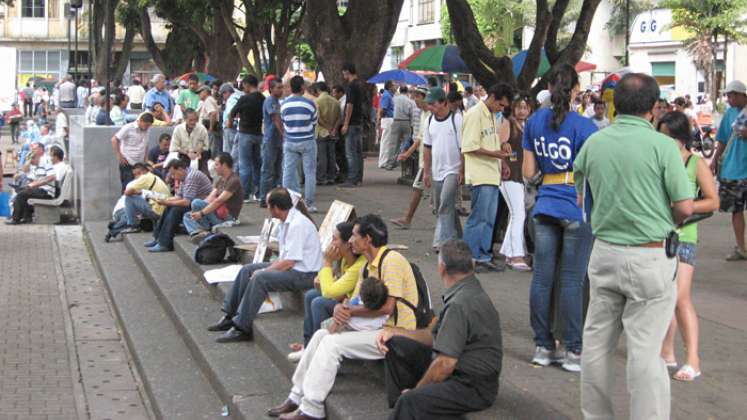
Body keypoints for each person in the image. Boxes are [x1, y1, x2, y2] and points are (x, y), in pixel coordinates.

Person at [574, 73, 694, 420]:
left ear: (615, 103)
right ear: (654, 108)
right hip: (651, 256)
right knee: (644, 351)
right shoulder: (663, 147)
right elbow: (685, 207)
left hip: (605, 251)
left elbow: (583, 195)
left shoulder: (595, 143)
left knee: (596, 344)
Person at [266, 214, 419, 420]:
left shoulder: (391, 260)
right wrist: (341, 310)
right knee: (321, 335)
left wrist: (349, 311)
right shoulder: (366, 266)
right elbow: (352, 302)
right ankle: (296, 396)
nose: (351, 241)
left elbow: (387, 307)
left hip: (396, 333)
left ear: (368, 239)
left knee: (332, 344)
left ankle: (311, 409)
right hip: (375, 328)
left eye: (355, 236)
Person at [522, 64, 596, 372]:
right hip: (576, 208)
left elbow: (528, 173)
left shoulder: (533, 122)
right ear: (576, 90)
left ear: (550, 88)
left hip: (544, 206)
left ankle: (542, 345)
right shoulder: (586, 127)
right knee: (571, 280)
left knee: (542, 278)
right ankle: (573, 350)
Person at [379, 239, 501, 419]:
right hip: (462, 372)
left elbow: (445, 364)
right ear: (472, 265)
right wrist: (395, 332)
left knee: (410, 400)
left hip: (472, 385)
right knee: (395, 344)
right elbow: (433, 335)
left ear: (441, 268)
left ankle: (407, 405)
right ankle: (402, 409)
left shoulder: (459, 304)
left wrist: (416, 391)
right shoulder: (466, 290)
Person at [208, 187, 322, 343]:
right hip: (293, 267)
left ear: (275, 207)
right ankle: (230, 315)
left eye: (268, 205)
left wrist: (266, 270)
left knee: (260, 278)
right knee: (247, 270)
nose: (266, 208)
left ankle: (242, 327)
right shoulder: (285, 222)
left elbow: (290, 261)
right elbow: (284, 257)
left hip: (305, 274)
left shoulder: (298, 225)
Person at [657, 111, 719, 382]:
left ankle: (693, 358)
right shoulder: (658, 162)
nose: (660, 141)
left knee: (681, 298)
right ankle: (666, 352)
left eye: (665, 136)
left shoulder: (695, 164)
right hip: (658, 236)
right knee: (663, 297)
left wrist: (685, 207)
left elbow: (713, 201)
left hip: (684, 237)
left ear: (680, 139)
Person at [287, 221, 366, 361]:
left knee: (319, 303)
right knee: (311, 295)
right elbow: (330, 286)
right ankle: (309, 345)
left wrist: (327, 262)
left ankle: (321, 353)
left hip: (355, 307)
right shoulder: (344, 260)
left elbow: (329, 292)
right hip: (345, 299)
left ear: (348, 244)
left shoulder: (358, 265)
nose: (331, 243)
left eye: (335, 239)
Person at [461, 83, 513, 271]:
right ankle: (470, 258)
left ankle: (483, 256)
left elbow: (492, 143)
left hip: (492, 174)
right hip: (480, 175)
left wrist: (503, 160)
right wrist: (496, 155)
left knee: (489, 219)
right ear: (492, 98)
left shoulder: (492, 115)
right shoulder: (475, 114)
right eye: (501, 105)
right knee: (478, 219)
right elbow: (469, 146)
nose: (502, 109)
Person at [710, 80, 747, 261]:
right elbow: (722, 140)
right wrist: (715, 160)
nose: (729, 99)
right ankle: (741, 247)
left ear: (742, 95)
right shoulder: (729, 114)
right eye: (727, 95)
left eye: (732, 95)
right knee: (735, 210)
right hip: (732, 169)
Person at [423, 87, 463, 252]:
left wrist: (462, 170)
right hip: (437, 170)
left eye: (432, 104)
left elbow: (463, 148)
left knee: (445, 205)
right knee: (443, 206)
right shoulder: (429, 121)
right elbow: (427, 148)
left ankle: (442, 241)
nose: (430, 107)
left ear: (444, 103)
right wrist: (426, 172)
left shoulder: (457, 119)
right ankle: (459, 237)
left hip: (453, 169)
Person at [144, 158, 213, 252]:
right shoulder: (184, 177)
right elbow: (178, 196)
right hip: (193, 203)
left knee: (175, 210)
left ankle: (165, 243)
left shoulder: (192, 176)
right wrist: (164, 200)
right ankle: (157, 238)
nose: (173, 177)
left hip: (202, 206)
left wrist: (166, 202)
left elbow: (186, 202)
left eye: (174, 173)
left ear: (180, 169)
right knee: (169, 206)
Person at [499, 94, 532, 271]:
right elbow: (500, 146)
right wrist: (504, 163)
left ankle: (508, 250)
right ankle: (515, 255)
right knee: (519, 214)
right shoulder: (508, 124)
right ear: (513, 109)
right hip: (509, 175)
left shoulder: (526, 126)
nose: (522, 110)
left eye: (525, 107)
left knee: (516, 214)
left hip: (521, 176)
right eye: (519, 107)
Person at [391, 87, 430, 230]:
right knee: (421, 190)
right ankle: (407, 218)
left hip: (430, 160)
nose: (415, 102)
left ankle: (407, 218)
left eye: (416, 98)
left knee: (418, 189)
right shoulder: (424, 114)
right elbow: (420, 137)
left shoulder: (432, 114)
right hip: (424, 158)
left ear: (423, 96)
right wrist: (408, 153)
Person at [183, 152, 244, 243]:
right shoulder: (220, 180)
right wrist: (196, 211)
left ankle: (201, 231)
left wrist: (201, 213)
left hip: (226, 217)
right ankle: (200, 232)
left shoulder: (233, 181)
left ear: (224, 165)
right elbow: (210, 198)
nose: (214, 167)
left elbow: (219, 201)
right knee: (187, 215)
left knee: (196, 203)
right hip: (215, 213)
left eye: (216, 164)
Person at [280, 76, 319, 212]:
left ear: (290, 87)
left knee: (288, 172)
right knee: (309, 173)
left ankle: (286, 202)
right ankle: (308, 204)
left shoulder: (284, 104)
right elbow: (314, 123)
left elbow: (283, 122)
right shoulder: (310, 104)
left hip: (290, 141)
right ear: (302, 87)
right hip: (307, 141)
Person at [5, 146, 67, 225]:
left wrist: (33, 185)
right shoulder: (37, 166)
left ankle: (15, 219)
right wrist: (29, 183)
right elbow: (27, 172)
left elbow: (52, 177)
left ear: (36, 157)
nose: (32, 164)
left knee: (21, 195)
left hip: (47, 192)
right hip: (41, 190)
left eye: (32, 161)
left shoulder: (45, 161)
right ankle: (26, 217)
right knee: (21, 191)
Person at [229, 75, 265, 202]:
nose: (243, 87)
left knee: (244, 165)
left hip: (245, 134)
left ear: (248, 84)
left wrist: (229, 122)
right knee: (257, 163)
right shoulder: (262, 98)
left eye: (243, 84)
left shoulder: (244, 99)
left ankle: (245, 194)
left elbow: (232, 113)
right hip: (258, 134)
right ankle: (259, 192)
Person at [119, 162, 172, 234]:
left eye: (138, 173)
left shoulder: (145, 177)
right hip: (164, 209)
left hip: (158, 211)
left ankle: (133, 225)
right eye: (134, 175)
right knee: (138, 196)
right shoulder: (154, 176)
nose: (136, 177)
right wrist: (139, 192)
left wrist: (137, 192)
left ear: (144, 171)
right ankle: (137, 219)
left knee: (129, 198)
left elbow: (126, 192)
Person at [111, 113, 154, 191]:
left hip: (140, 164)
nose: (147, 128)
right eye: (146, 125)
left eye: (149, 126)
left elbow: (146, 144)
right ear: (140, 121)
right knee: (127, 187)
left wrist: (146, 159)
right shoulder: (128, 128)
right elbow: (114, 140)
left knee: (139, 187)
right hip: (128, 162)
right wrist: (119, 156)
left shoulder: (147, 130)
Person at [259, 78, 285, 207]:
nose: (281, 90)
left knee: (276, 170)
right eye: (278, 87)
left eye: (282, 87)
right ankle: (264, 198)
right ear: (271, 89)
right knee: (268, 170)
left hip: (277, 140)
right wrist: (284, 135)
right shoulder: (270, 101)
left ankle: (273, 198)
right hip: (271, 140)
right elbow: (276, 119)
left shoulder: (277, 101)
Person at [310, 82, 341, 186]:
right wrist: (333, 129)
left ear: (318, 90)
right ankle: (331, 176)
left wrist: (328, 128)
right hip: (333, 132)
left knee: (322, 156)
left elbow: (318, 119)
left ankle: (321, 177)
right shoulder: (336, 102)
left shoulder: (316, 101)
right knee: (332, 155)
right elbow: (339, 118)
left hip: (321, 132)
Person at [340, 63, 364, 187]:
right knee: (358, 152)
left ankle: (352, 178)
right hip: (358, 121)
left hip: (352, 123)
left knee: (350, 152)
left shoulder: (351, 86)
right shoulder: (359, 85)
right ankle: (358, 177)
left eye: (344, 73)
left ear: (348, 72)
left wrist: (345, 123)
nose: (343, 76)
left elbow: (349, 105)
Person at [380, 85, 414, 171]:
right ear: (406, 92)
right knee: (407, 142)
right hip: (406, 122)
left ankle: (390, 164)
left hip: (396, 121)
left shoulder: (394, 99)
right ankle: (404, 162)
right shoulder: (409, 101)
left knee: (393, 144)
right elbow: (411, 113)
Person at [170, 109, 209, 174]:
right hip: (183, 156)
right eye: (190, 120)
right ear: (185, 119)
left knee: (205, 176)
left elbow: (206, 146)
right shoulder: (178, 129)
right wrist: (187, 153)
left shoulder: (202, 128)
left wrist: (197, 153)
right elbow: (174, 147)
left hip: (199, 156)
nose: (193, 122)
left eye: (195, 120)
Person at [377, 81, 397, 168]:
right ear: (389, 86)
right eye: (394, 85)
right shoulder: (386, 96)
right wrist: (380, 118)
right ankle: (383, 162)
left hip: (388, 119)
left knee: (387, 141)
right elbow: (383, 109)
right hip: (387, 119)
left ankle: (384, 161)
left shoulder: (389, 96)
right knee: (386, 141)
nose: (396, 86)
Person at [221, 82, 242, 164]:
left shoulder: (231, 99)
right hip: (238, 128)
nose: (223, 97)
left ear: (226, 92)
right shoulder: (240, 96)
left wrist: (229, 123)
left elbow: (232, 112)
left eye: (223, 94)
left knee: (228, 155)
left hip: (231, 129)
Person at [198, 86, 221, 157]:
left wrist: (210, 128)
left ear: (205, 92)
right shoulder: (209, 100)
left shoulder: (208, 100)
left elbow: (213, 113)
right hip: (211, 128)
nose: (199, 94)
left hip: (210, 129)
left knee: (211, 150)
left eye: (200, 92)